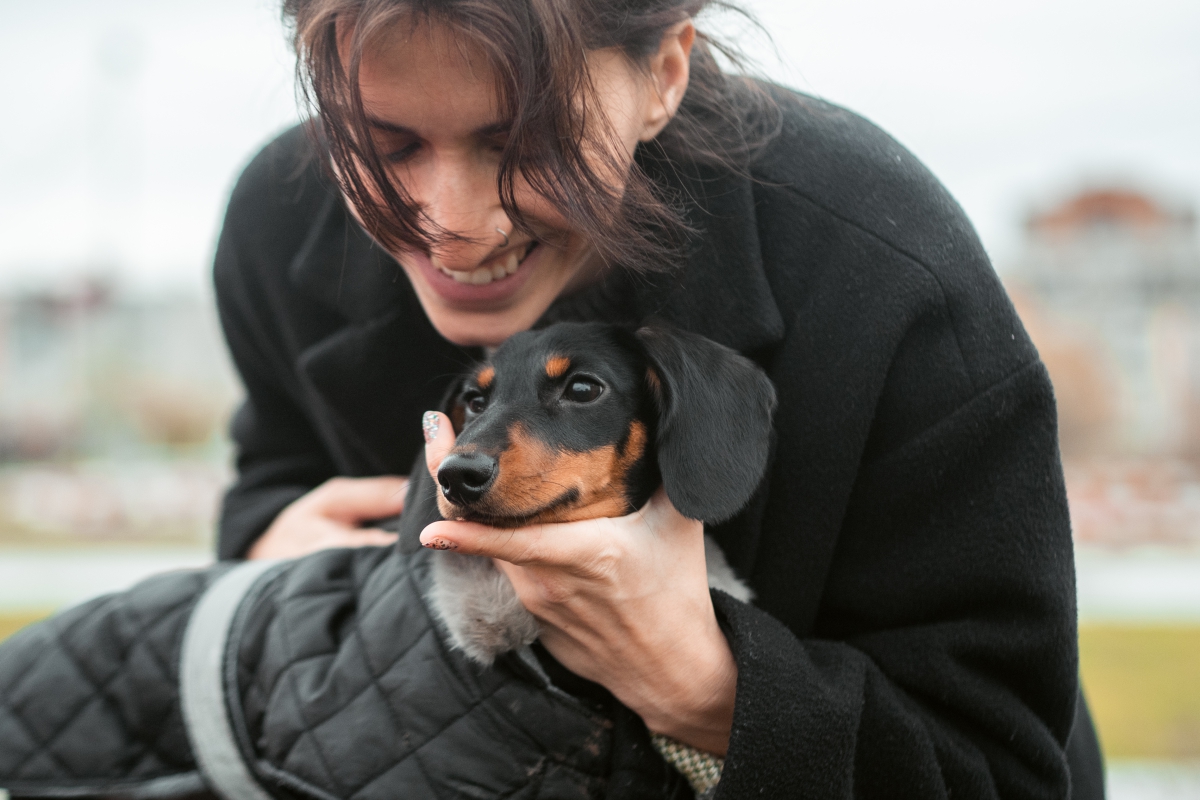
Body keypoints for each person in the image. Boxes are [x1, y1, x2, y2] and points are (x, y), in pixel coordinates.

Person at [213, 0, 1104, 796]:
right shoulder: (277, 216)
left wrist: (704, 687)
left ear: (664, 72)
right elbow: (272, 467)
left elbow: (1003, 764)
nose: (453, 220)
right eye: (385, 141)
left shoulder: (883, 265)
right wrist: (268, 547)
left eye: (523, 142)